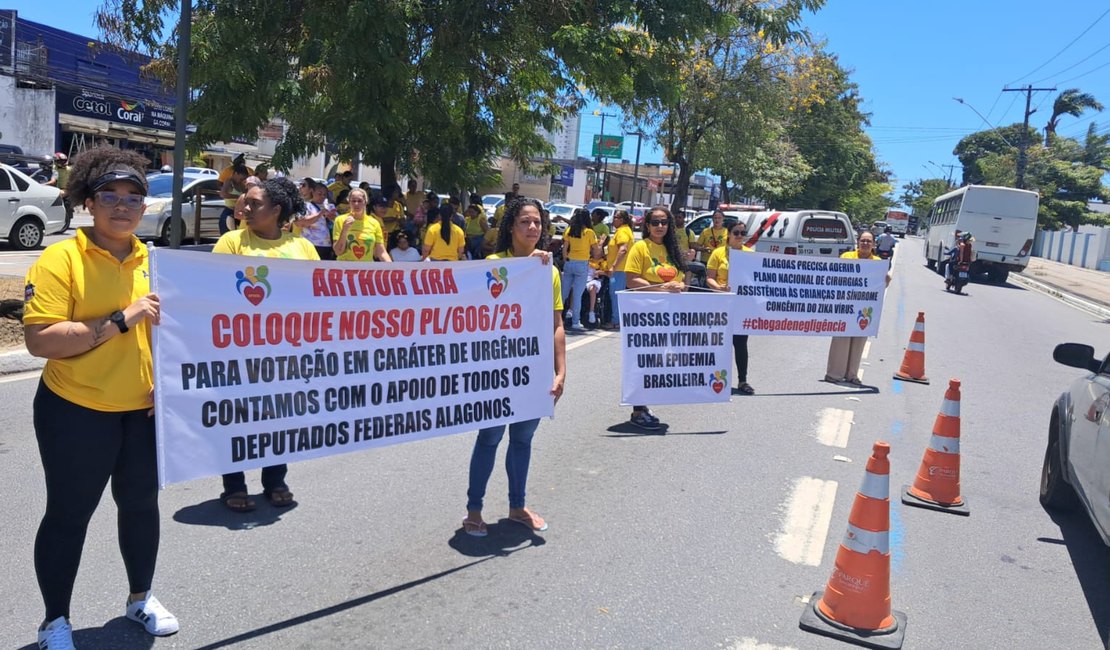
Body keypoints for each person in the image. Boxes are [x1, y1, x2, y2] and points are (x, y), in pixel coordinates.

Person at [24, 146, 178, 648]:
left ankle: (140, 598)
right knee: (69, 515)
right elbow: (42, 340)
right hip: (75, 411)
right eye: (109, 195)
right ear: (88, 201)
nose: (122, 206)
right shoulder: (60, 258)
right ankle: (55, 622)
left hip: (143, 412)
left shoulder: (154, 261)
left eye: (134, 198)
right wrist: (120, 319)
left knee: (140, 507)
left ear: (145, 207)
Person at [212, 177, 319, 511]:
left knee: (279, 419)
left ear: (276, 210)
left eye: (254, 203)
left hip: (286, 353)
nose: (244, 207)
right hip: (239, 351)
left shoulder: (301, 247)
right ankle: (234, 485)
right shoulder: (231, 242)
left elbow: (319, 294)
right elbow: (209, 290)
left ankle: (275, 479)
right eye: (244, 200)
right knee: (236, 419)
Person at [462, 197, 566, 536]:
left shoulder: (549, 271)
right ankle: (474, 510)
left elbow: (556, 324)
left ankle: (517, 506)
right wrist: (526, 272)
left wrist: (560, 371)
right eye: (524, 222)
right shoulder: (493, 263)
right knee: (490, 437)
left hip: (532, 371)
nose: (533, 228)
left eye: (537, 222)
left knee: (523, 439)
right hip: (496, 371)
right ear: (511, 227)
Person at [624, 206, 688, 429]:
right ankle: (638, 410)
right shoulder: (640, 247)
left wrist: (680, 286)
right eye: (655, 222)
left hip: (669, 317)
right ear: (647, 225)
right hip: (644, 316)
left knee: (656, 362)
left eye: (664, 222)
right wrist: (663, 289)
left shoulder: (673, 250)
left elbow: (682, 282)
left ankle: (643, 403)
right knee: (641, 361)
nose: (660, 226)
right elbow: (632, 280)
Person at [825, 231, 892, 384]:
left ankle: (852, 375)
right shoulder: (846, 257)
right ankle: (834, 374)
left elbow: (882, 285)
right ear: (858, 242)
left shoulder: (877, 262)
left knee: (859, 341)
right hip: (845, 305)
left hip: (865, 308)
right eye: (863, 240)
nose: (866, 243)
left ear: (874, 244)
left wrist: (886, 279)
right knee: (841, 340)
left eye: (869, 241)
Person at [705, 223, 756, 395]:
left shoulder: (750, 254)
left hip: (742, 306)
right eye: (736, 232)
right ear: (729, 233)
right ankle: (715, 380)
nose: (740, 236)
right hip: (721, 305)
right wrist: (719, 288)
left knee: (741, 344)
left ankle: (743, 381)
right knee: (719, 343)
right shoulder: (718, 253)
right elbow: (709, 278)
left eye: (743, 233)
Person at [561, 208, 600, 329]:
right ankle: (575, 322)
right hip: (582, 263)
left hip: (569, 262)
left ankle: (554, 318)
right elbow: (595, 249)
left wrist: (565, 259)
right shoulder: (589, 232)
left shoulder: (569, 230)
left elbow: (564, 248)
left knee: (563, 293)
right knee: (577, 294)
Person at [333, 189, 392, 262]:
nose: (356, 204)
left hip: (366, 269)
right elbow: (338, 252)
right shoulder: (340, 220)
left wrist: (392, 268)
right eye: (353, 201)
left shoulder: (374, 223)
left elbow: (381, 252)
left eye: (360, 201)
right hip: (345, 268)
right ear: (349, 202)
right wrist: (344, 229)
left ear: (365, 202)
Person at [602, 210, 634, 331]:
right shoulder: (624, 230)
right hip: (621, 269)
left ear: (622, 220)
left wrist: (613, 266)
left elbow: (623, 249)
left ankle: (616, 321)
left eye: (616, 217)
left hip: (619, 270)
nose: (613, 219)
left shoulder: (622, 232)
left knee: (615, 295)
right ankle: (617, 319)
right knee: (617, 294)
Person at [291, 179, 336, 260]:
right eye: (319, 193)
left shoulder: (330, 206)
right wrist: (319, 214)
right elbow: (300, 223)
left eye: (324, 194)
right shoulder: (305, 206)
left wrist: (332, 217)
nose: (322, 196)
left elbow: (338, 222)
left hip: (327, 245)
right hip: (309, 244)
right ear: (313, 192)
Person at [218, 163, 249, 234]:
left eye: (244, 179)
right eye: (241, 178)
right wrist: (238, 197)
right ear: (236, 173)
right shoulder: (229, 181)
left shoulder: (242, 184)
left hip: (240, 212)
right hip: (229, 211)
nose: (242, 180)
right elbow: (223, 194)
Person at [54, 153, 73, 230]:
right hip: (54, 189)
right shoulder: (53, 169)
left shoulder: (69, 169)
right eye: (61, 161)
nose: (63, 163)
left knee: (67, 203)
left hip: (66, 189)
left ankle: (66, 218)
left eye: (64, 161)